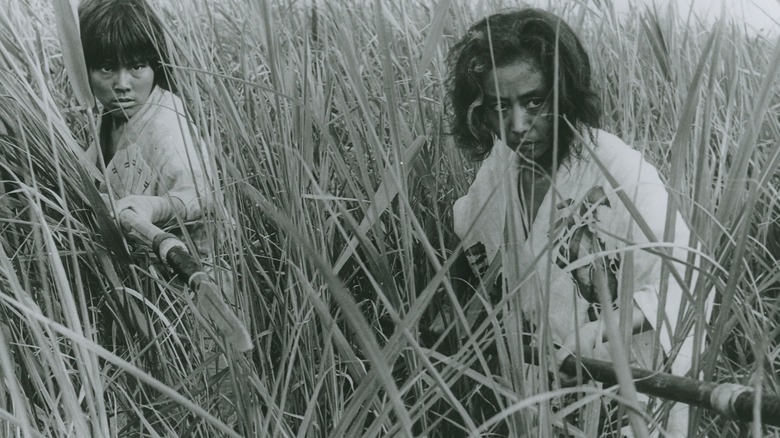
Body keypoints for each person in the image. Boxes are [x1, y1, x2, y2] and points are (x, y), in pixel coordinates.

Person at [446, 8, 709, 437]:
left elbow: (685, 279)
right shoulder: (501, 164)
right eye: (499, 106)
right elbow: (473, 237)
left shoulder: (618, 170)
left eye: (534, 102)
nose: (516, 126)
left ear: (563, 93)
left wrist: (593, 334)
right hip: (539, 388)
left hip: (626, 391)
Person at [80, 0, 214, 256]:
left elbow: (202, 195)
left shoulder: (170, 129)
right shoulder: (112, 112)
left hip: (189, 271)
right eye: (107, 67)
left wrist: (153, 208)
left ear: (155, 66)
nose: (122, 84)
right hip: (135, 262)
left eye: (136, 66)